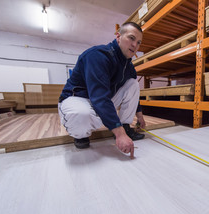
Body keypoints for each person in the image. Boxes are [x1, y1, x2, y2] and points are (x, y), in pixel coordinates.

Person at [58, 22, 146, 155]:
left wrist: (140, 116)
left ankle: (126, 126)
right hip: (78, 99)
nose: (135, 45)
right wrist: (119, 133)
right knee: (81, 116)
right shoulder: (98, 56)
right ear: (118, 37)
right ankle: (80, 135)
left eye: (139, 42)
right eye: (131, 38)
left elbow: (131, 93)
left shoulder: (128, 67)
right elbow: (99, 97)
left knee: (133, 83)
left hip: (100, 100)